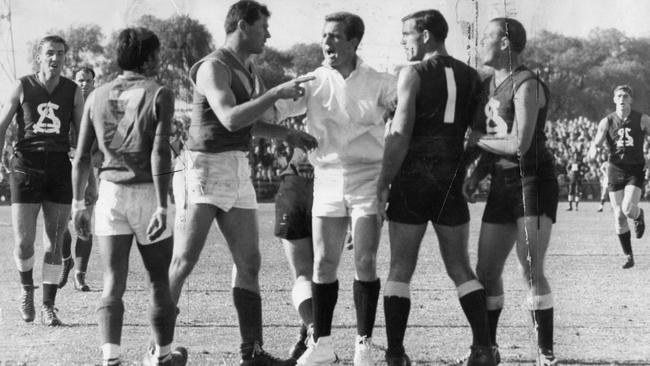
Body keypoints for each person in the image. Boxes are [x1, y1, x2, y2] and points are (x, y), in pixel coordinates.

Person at [166, 1, 317, 365]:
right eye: (263, 25)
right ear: (242, 25)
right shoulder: (213, 66)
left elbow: (251, 122)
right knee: (184, 260)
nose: (268, 33)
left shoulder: (249, 68)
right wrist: (275, 93)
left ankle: (251, 353)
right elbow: (231, 118)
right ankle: (159, 349)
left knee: (249, 262)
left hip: (236, 165)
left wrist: (285, 134)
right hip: (201, 167)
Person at [274, 11, 397, 366]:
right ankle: (322, 343)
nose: (326, 43)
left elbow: (404, 110)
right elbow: (276, 110)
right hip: (326, 178)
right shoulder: (312, 81)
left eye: (335, 36)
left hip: (367, 178)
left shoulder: (380, 81)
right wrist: (274, 99)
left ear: (354, 41)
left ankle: (364, 344)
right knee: (324, 262)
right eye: (324, 36)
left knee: (365, 259)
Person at [376, 10, 494, 366]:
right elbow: (479, 133)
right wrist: (465, 168)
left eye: (406, 34)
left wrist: (383, 182)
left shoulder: (412, 73)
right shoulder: (473, 76)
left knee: (400, 267)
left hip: (413, 176)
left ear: (426, 35)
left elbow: (400, 134)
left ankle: (395, 354)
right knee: (460, 267)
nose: (403, 41)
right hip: (450, 178)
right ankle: (484, 349)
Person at [72, 27, 187, 366]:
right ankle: (163, 355)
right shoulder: (159, 93)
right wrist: (165, 204)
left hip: (109, 194)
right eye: (157, 54)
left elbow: (80, 157)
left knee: (112, 280)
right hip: (147, 193)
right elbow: (160, 153)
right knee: (158, 280)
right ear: (149, 57)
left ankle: (111, 357)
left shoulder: (96, 96)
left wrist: (80, 203)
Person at [464, 17, 558, 365]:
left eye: (486, 36)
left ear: (505, 42)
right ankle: (488, 348)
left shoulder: (527, 83)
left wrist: (477, 142)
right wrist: (476, 176)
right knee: (486, 271)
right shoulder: (488, 85)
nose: (479, 43)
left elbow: (520, 143)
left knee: (530, 267)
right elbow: (491, 141)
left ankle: (545, 353)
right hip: (502, 184)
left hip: (532, 180)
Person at [0, 35, 84, 326]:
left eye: (60, 53)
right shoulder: (23, 85)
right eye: (50, 53)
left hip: (60, 168)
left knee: (55, 242)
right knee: (24, 244)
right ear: (39, 56)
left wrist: (90, 178)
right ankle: (27, 291)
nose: (56, 58)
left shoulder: (73, 91)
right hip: (26, 167)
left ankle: (48, 304)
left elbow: (83, 138)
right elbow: (1, 126)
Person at [587, 85, 650, 269]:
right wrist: (592, 151)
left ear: (630, 99)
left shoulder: (643, 119)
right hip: (615, 169)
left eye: (625, 96)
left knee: (629, 209)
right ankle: (629, 256)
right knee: (619, 216)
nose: (622, 99)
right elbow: (596, 143)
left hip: (635, 170)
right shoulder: (606, 121)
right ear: (614, 100)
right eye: (619, 96)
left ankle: (639, 214)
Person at [273, 145, 315, 361]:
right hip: (329, 183)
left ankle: (310, 334)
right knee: (321, 276)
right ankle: (311, 336)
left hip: (295, 184)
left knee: (303, 275)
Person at [59, 66, 97, 291]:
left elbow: (102, 143)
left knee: (83, 223)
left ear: (94, 81)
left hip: (87, 168)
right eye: (80, 80)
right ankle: (66, 259)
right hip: (62, 166)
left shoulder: (97, 106)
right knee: (59, 223)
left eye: (88, 80)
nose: (84, 84)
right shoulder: (65, 104)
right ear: (74, 81)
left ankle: (80, 275)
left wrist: (92, 179)